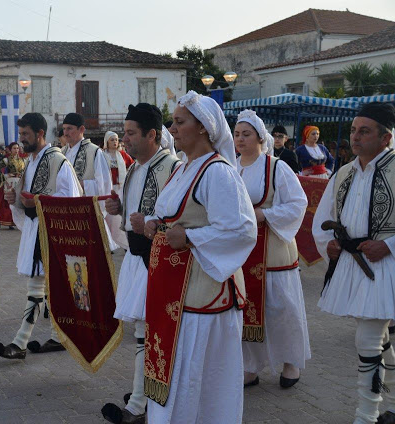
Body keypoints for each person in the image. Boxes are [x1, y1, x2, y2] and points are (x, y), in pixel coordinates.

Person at [142, 91, 257, 423]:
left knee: (196, 378)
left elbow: (241, 230)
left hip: (201, 296)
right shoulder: (184, 168)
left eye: (180, 122)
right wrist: (157, 225)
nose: (173, 129)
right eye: (173, 122)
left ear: (204, 128)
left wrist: (190, 237)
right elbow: (180, 216)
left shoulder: (217, 173)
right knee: (177, 371)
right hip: (173, 290)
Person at [312, 102, 395, 424]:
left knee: (369, 337)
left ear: (385, 137)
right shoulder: (343, 173)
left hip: (386, 265)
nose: (355, 137)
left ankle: (366, 414)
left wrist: (388, 246)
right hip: (353, 263)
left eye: (365, 131)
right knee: (377, 335)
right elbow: (325, 219)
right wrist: (329, 245)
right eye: (353, 130)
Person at [102, 104, 180, 424]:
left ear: (153, 135)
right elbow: (133, 214)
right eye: (124, 132)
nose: (125, 138)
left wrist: (148, 221)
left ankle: (138, 405)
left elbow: (178, 220)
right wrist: (119, 207)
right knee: (142, 329)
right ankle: (144, 393)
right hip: (137, 257)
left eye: (131, 133)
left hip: (160, 259)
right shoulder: (134, 167)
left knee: (149, 330)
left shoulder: (172, 167)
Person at [0, 112, 81, 359]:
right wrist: (16, 199)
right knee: (44, 286)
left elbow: (72, 201)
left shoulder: (58, 161)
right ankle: (57, 336)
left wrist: (35, 203)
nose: (21, 139)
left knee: (38, 286)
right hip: (37, 231)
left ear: (40, 134)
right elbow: (29, 198)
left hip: (52, 234)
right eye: (20, 134)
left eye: (25, 134)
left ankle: (21, 342)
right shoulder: (31, 161)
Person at [234, 110, 310, 390]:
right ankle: (250, 366)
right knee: (245, 308)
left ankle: (291, 362)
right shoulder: (230, 166)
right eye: (237, 134)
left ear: (259, 137)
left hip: (274, 249)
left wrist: (264, 215)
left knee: (281, 308)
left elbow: (297, 203)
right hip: (241, 252)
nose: (240, 139)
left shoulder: (276, 167)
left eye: (246, 134)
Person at [62, 113, 118, 251]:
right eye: (64, 129)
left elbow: (104, 186)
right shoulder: (61, 152)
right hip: (64, 215)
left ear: (81, 129)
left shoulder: (94, 152)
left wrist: (82, 184)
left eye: (69, 129)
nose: (65, 133)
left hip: (87, 215)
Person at [0, 142, 25, 228]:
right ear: (10, 149)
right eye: (14, 148)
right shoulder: (6, 160)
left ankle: (19, 221)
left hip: (19, 183)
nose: (16, 150)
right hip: (10, 183)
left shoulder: (23, 160)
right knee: (9, 202)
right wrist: (6, 175)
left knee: (19, 202)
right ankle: (9, 221)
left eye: (17, 148)